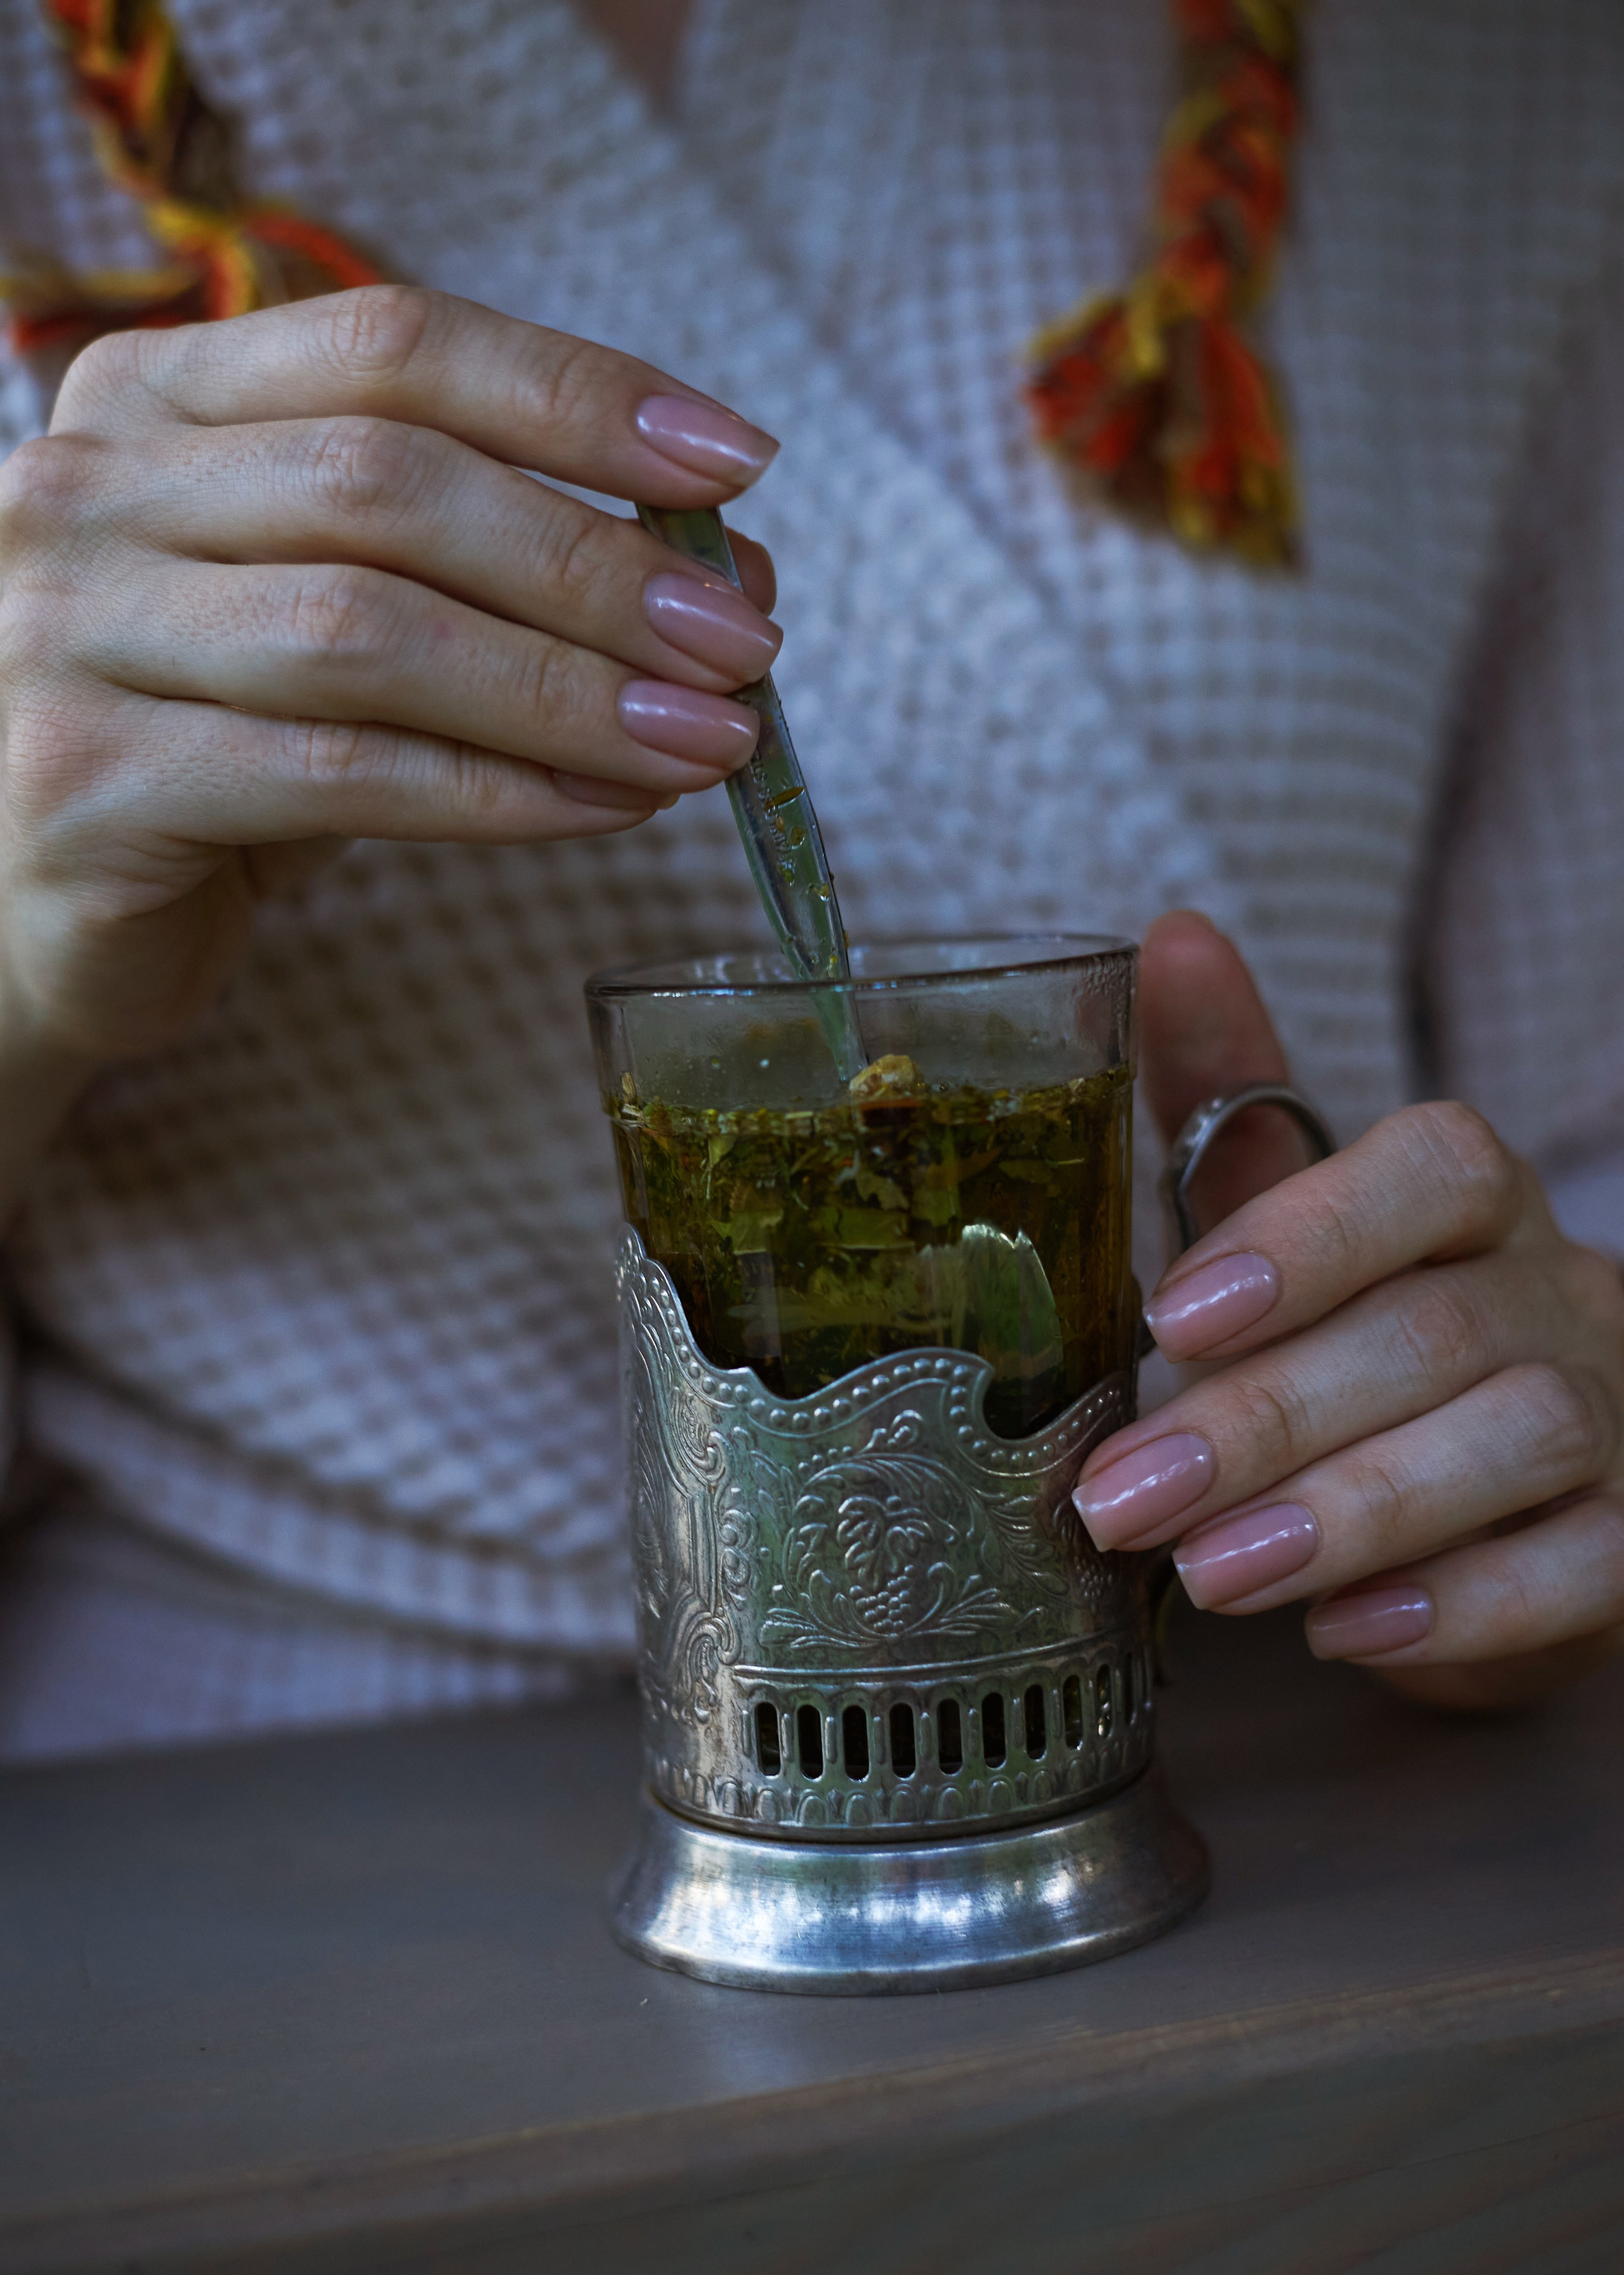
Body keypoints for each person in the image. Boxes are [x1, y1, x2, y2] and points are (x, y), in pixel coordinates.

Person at [0, 0, 1619, 1760]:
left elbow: (1585, 1138)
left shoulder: (1487, 71)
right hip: (249, 1794)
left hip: (1250, 1737)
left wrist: (1515, 1433)